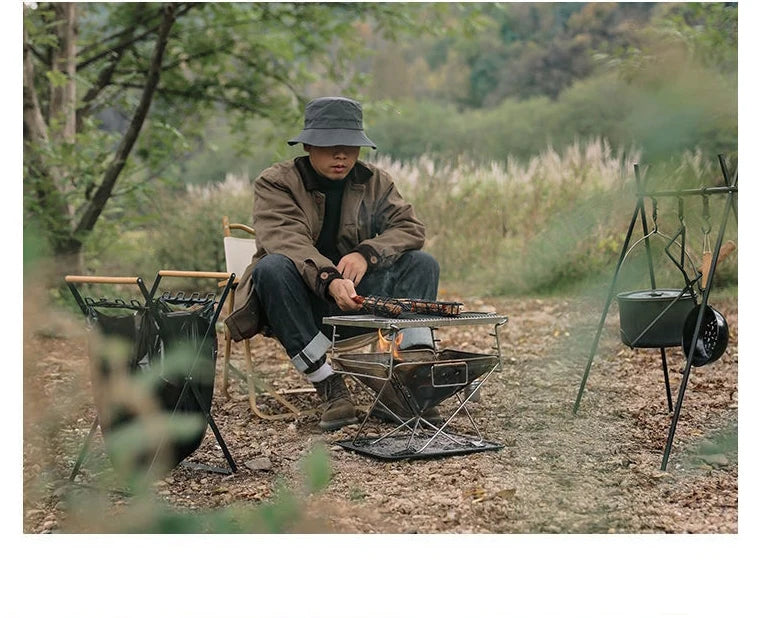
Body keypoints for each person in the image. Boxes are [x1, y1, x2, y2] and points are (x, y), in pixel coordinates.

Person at [225, 96, 439, 431]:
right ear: (309, 145)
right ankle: (329, 385)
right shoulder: (277, 182)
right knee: (271, 268)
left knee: (422, 264)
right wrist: (329, 277)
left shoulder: (374, 181)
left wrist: (367, 253)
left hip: (358, 304)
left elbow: (409, 228)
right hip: (297, 305)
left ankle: (408, 383)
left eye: (350, 146)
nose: (341, 155)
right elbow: (285, 239)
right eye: (330, 145)